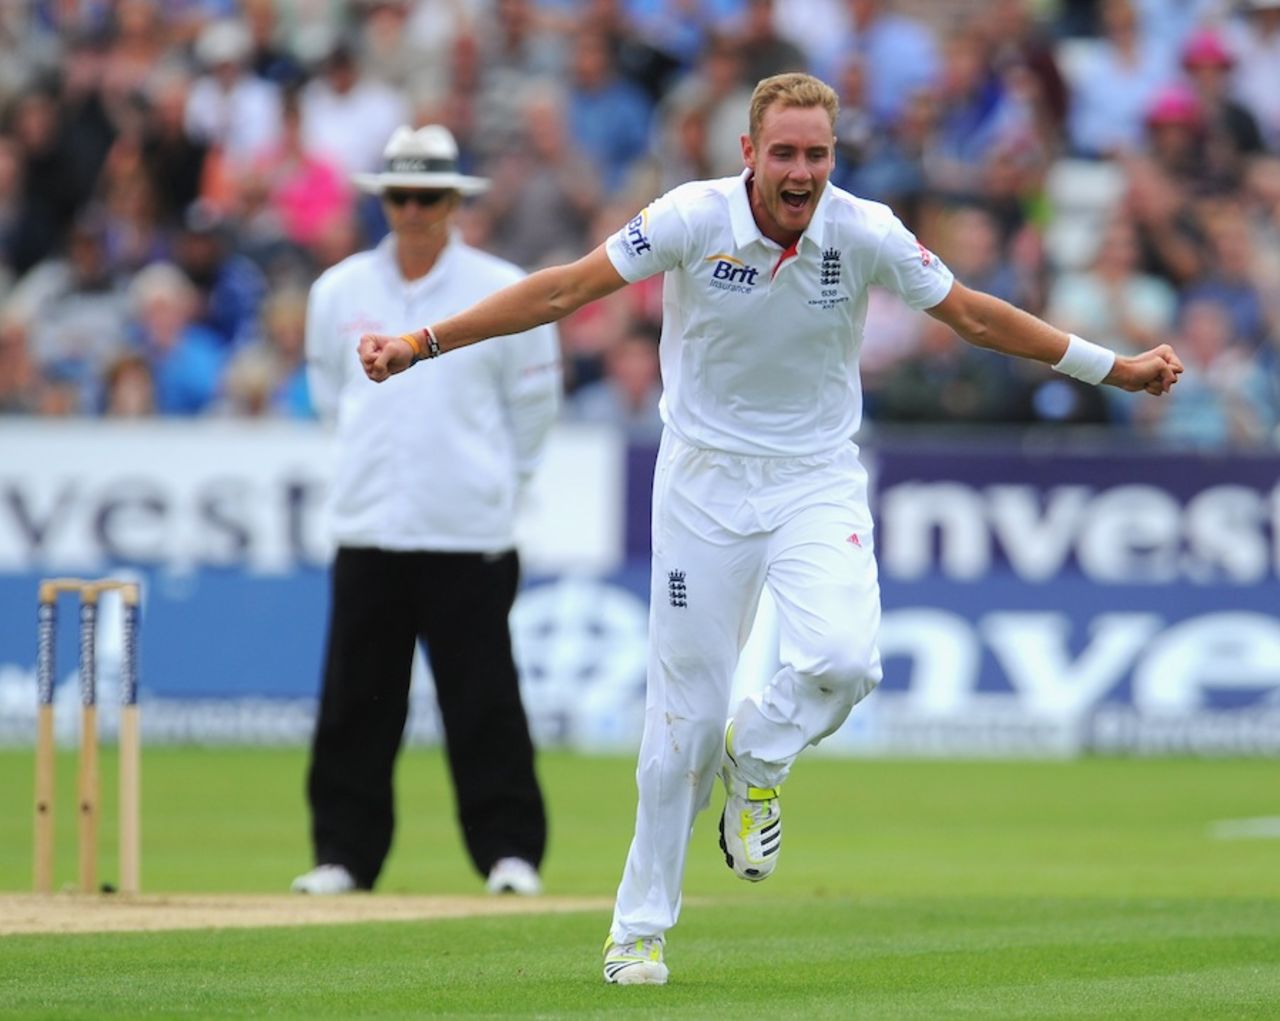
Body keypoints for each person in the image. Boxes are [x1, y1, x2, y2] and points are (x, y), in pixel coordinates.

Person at [356, 73, 1183, 982]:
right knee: (682, 725)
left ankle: (760, 757)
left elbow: (974, 316)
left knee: (844, 661)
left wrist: (1116, 368)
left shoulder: (863, 231)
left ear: (835, 157)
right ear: (748, 154)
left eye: (817, 154)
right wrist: (421, 342)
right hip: (701, 487)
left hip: (815, 479)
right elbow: (562, 292)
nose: (801, 172)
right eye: (784, 153)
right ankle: (638, 928)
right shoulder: (690, 217)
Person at [291, 124, 561, 898]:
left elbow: (534, 406)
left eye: (428, 197)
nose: (413, 210)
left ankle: (510, 853)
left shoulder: (498, 282)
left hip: (467, 528)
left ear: (454, 201)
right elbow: (326, 396)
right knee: (356, 700)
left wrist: (497, 482)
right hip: (369, 524)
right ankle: (343, 855)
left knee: (482, 700)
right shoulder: (338, 290)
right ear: (385, 200)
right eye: (400, 196)